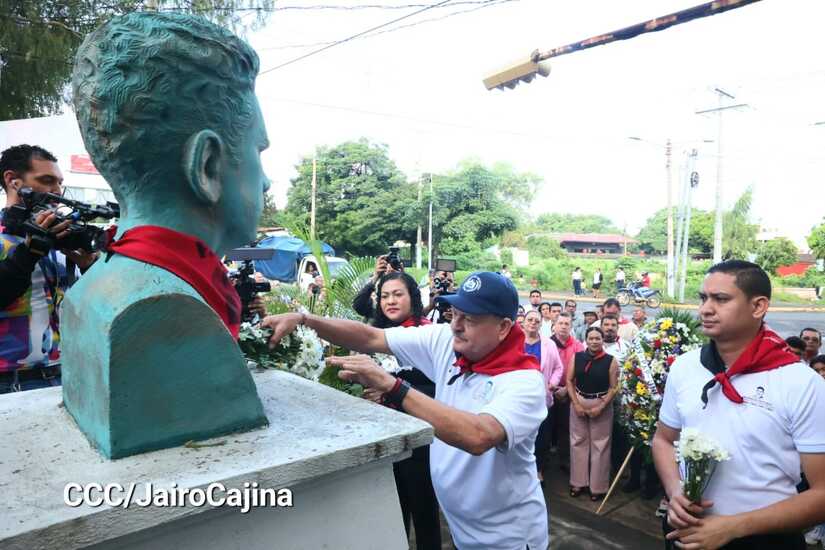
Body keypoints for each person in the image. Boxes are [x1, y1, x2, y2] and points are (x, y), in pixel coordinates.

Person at [262, 272, 549, 549]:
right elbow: (372, 337)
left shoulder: (523, 382)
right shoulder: (447, 342)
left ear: (503, 327)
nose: (456, 325)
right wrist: (305, 319)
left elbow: (478, 435)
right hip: (464, 530)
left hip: (508, 538)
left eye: (470, 319)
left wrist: (392, 387)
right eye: (455, 314)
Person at [653, 260, 825, 549]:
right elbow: (663, 439)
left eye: (721, 299)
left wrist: (733, 527)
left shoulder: (801, 382)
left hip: (765, 540)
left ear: (758, 307)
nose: (706, 309)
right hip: (686, 532)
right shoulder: (684, 367)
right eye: (703, 298)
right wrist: (675, 493)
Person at [0, 145, 97, 393]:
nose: (56, 191)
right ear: (13, 181)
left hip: (66, 374)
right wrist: (29, 253)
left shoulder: (61, 242)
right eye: (46, 181)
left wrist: (91, 271)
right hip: (9, 383)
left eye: (59, 183)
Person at [362, 272, 441, 550]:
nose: (390, 301)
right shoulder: (373, 336)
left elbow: (438, 392)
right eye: (384, 295)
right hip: (383, 441)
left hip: (420, 443)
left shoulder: (428, 334)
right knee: (392, 511)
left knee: (424, 512)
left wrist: (392, 391)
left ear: (413, 298)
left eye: (398, 294)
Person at [566, 326, 620, 501]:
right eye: (591, 338)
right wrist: (576, 404)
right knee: (577, 442)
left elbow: (614, 387)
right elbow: (569, 380)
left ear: (602, 340)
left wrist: (601, 406)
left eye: (598, 338)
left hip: (601, 405)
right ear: (586, 340)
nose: (594, 341)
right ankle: (578, 482)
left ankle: (598, 487)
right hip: (579, 402)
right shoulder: (577, 357)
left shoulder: (611, 361)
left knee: (601, 445)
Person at [522, 310, 564, 483]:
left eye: (536, 321)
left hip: (541, 397)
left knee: (542, 437)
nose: (533, 323)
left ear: (541, 324)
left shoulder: (548, 344)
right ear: (523, 322)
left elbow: (558, 368)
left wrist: (552, 383)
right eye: (529, 319)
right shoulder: (514, 342)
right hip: (519, 396)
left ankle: (538, 469)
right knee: (521, 435)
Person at [549, 312, 585, 456]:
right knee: (547, 426)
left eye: (567, 324)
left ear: (571, 326)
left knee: (567, 427)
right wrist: (552, 387)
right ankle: (542, 463)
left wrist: (566, 390)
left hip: (570, 392)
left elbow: (581, 371)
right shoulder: (547, 344)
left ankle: (564, 459)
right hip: (549, 390)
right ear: (554, 326)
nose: (563, 327)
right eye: (560, 323)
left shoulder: (578, 346)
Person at [352, 254, 402, 320]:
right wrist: (376, 277)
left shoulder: (406, 288)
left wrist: (402, 278)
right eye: (384, 296)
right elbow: (358, 306)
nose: (391, 302)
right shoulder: (373, 302)